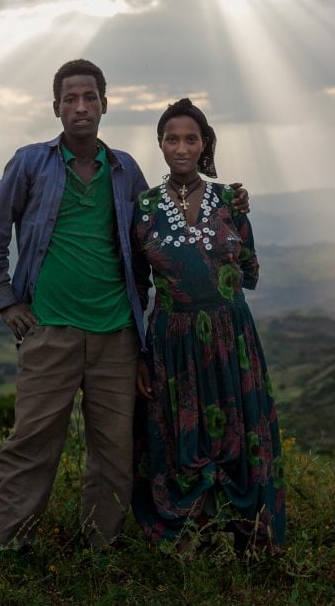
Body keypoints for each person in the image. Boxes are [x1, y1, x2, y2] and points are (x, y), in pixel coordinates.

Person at [0, 60, 247, 554]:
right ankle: (7, 548)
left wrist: (227, 202)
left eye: (90, 97)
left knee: (114, 455)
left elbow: (155, 241)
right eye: (71, 98)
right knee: (32, 446)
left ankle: (100, 550)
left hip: (117, 334)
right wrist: (5, 302)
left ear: (104, 103)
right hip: (49, 330)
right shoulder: (31, 163)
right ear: (56, 107)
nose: (81, 107)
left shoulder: (124, 171)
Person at [131, 98, 285, 553]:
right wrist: (138, 352)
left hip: (229, 336)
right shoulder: (143, 206)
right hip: (171, 341)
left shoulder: (230, 200)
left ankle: (242, 528)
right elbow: (136, 285)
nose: (181, 147)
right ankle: (191, 529)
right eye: (171, 138)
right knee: (180, 434)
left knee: (237, 432)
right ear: (160, 144)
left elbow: (250, 270)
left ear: (205, 144)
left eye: (190, 138)